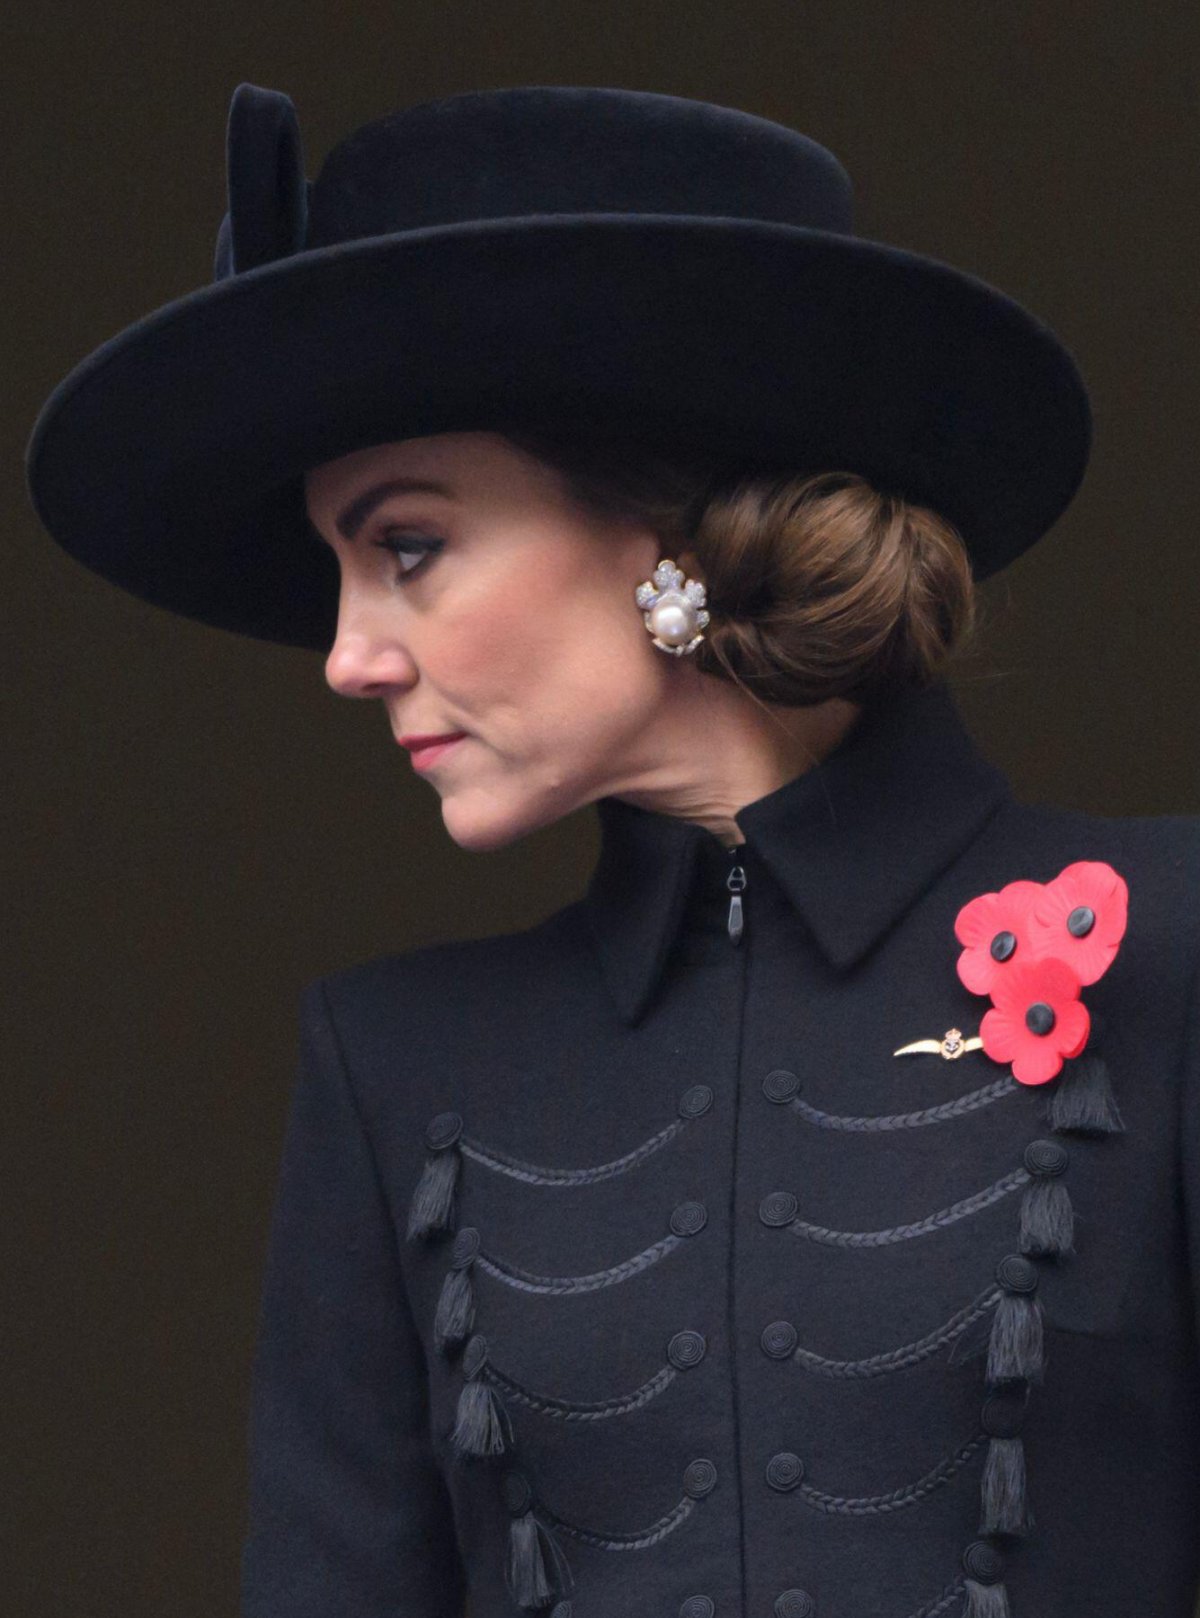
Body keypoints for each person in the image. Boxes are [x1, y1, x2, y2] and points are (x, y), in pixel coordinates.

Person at [24, 82, 1200, 1618]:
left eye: (408, 548)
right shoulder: (391, 1064)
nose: (347, 656)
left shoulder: (1176, 941)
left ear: (670, 534)